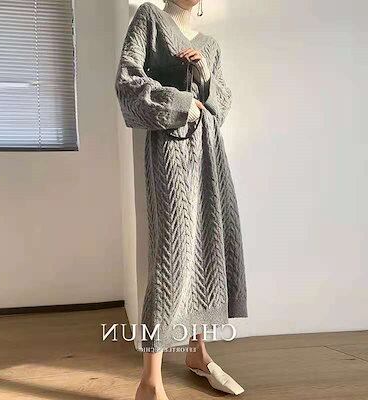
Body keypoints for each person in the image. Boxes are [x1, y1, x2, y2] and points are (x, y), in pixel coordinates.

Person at [115, 1, 248, 398]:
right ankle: (149, 379)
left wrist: (204, 77)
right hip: (170, 150)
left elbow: (221, 104)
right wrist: (183, 103)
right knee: (171, 255)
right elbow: (127, 80)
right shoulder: (149, 18)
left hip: (209, 151)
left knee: (207, 246)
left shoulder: (211, 44)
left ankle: (197, 353)